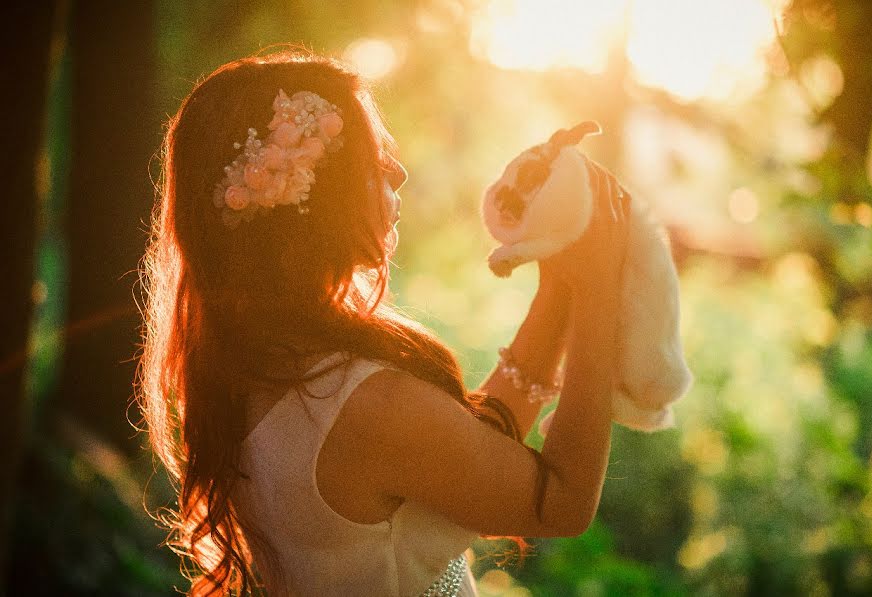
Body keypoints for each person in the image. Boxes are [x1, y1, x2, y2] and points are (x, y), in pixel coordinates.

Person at [137, 49, 631, 597]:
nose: (397, 169)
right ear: (314, 194)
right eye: (371, 155)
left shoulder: (262, 372)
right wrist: (597, 289)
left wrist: (560, 283)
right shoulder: (365, 404)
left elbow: (474, 458)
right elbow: (559, 500)